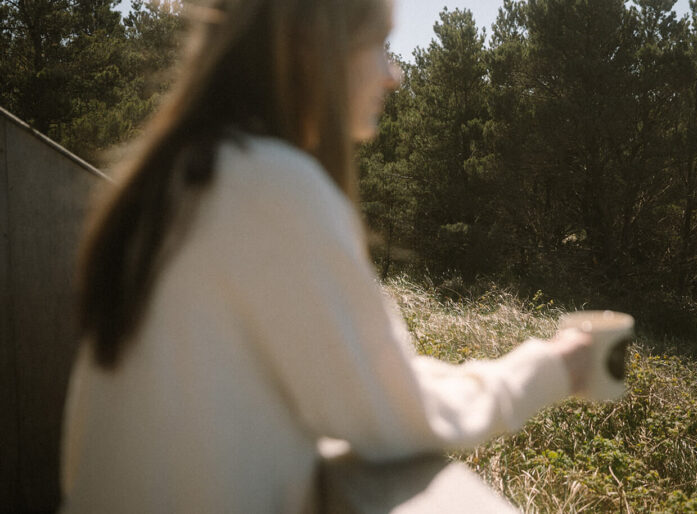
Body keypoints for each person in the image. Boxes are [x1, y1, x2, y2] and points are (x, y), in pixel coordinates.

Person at [60, 0, 596, 511]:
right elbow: (396, 411)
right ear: (311, 46)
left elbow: (373, 379)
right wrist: (554, 369)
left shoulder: (180, 180)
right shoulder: (270, 187)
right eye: (380, 45)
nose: (395, 74)